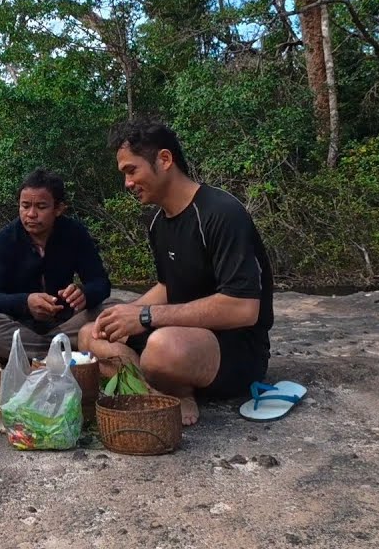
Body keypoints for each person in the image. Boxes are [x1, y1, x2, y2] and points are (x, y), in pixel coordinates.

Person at [80, 119, 274, 426]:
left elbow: (244, 309)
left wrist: (145, 317)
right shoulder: (159, 222)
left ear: (165, 160)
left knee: (161, 349)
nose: (127, 183)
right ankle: (152, 393)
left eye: (132, 171)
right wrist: (124, 315)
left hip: (232, 349)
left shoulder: (221, 213)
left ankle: (176, 389)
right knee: (89, 334)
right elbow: (169, 287)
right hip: (173, 331)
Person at [0, 168, 112, 363]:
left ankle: (39, 356)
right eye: (25, 206)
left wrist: (84, 294)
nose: (31, 214)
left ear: (59, 209)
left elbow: (101, 283)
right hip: (22, 327)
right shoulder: (4, 240)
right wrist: (26, 302)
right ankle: (60, 354)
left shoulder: (74, 233)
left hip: (67, 323)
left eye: (41, 206)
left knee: (114, 310)